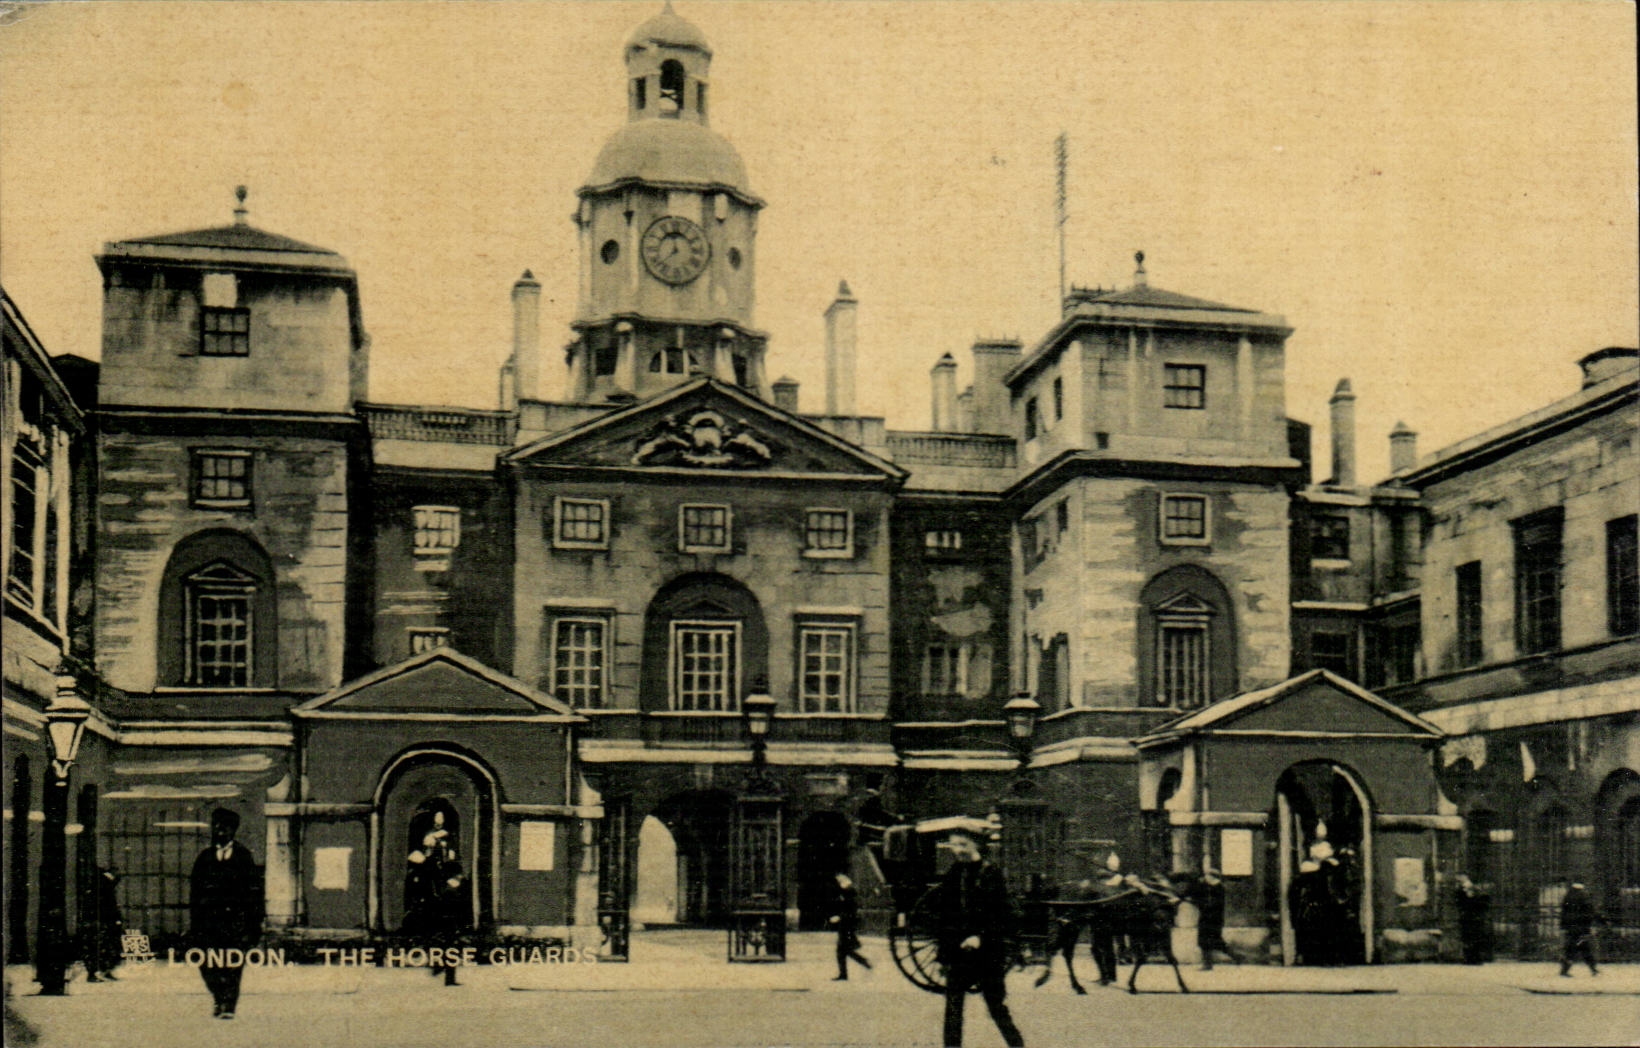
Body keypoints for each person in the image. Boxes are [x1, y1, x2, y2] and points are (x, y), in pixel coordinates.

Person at [932, 828, 1025, 1048]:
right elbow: (945, 915)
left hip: (987, 954)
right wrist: (943, 955)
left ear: (976, 845)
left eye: (963, 844)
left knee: (996, 1007)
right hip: (958, 952)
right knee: (953, 1008)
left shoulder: (991, 873)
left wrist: (980, 936)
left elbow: (999, 914)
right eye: (954, 845)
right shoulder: (954, 872)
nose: (957, 850)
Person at [189, 809, 261, 1019]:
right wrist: (196, 924)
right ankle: (218, 996)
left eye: (225, 828)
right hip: (208, 924)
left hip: (235, 924)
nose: (220, 832)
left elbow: (254, 894)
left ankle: (228, 1005)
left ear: (233, 831)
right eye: (217, 827)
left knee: (232, 965)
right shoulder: (204, 858)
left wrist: (253, 925)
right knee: (207, 964)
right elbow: (195, 894)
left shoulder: (243, 857)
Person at [404, 811, 467, 986]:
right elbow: (418, 861)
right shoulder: (427, 843)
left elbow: (455, 864)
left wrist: (455, 880)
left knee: (451, 934)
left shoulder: (448, 841)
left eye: (441, 820)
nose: (439, 823)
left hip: (448, 894)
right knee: (436, 932)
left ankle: (449, 975)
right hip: (432, 895)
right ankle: (439, 965)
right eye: (436, 820)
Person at [79, 866, 124, 983]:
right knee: (103, 947)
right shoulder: (106, 885)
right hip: (104, 921)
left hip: (94, 921)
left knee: (95, 947)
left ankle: (96, 972)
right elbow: (110, 905)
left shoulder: (96, 885)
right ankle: (100, 972)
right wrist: (116, 918)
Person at [827, 872, 871, 980]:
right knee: (844, 950)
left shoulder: (848, 892)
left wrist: (840, 917)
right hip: (847, 923)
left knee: (842, 950)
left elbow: (850, 909)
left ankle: (847, 972)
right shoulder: (847, 891)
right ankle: (858, 965)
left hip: (847, 924)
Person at [1189, 867, 1234, 970]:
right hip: (1206, 917)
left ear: (1213, 877)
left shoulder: (1218, 888)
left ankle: (1237, 956)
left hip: (1213, 919)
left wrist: (1198, 902)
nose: (1206, 877)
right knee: (1204, 941)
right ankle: (1208, 964)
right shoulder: (1208, 887)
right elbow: (1195, 893)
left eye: (1208, 875)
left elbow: (1211, 904)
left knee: (1214, 942)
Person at [1558, 881, 1601, 977]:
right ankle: (1592, 969)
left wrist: (1563, 926)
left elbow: (1564, 913)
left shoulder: (1568, 896)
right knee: (1582, 948)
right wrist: (1599, 919)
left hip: (1571, 927)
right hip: (1582, 927)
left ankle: (1592, 969)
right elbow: (1591, 910)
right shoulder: (1584, 895)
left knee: (1577, 947)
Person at [1454, 875, 1493, 965]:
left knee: (1476, 937)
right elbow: (1459, 903)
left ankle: (1476, 958)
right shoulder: (1460, 891)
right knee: (1467, 938)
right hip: (1466, 918)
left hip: (1475, 918)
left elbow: (1484, 903)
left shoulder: (1477, 891)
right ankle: (1468, 957)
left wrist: (1472, 896)